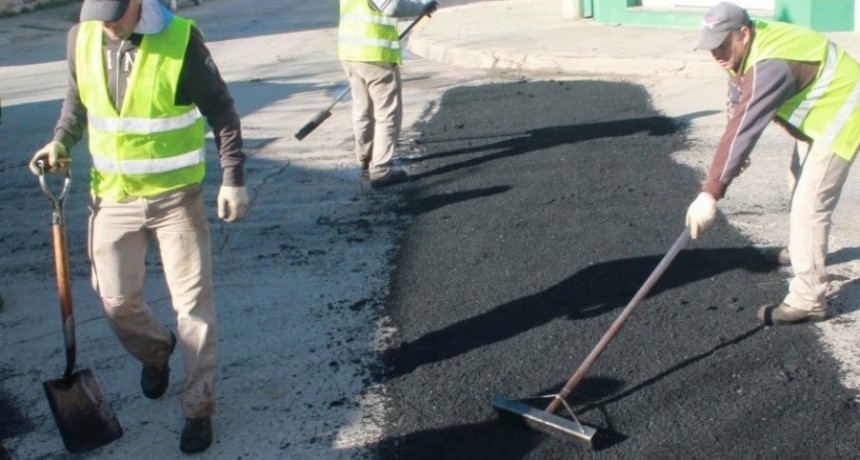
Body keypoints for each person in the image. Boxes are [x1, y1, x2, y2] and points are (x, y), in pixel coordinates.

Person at [28, 0, 249, 453]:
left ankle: (198, 408)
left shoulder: (181, 39)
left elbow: (222, 112)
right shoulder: (82, 37)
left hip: (176, 200)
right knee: (115, 302)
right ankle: (156, 350)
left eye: (114, 14)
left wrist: (233, 180)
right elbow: (77, 104)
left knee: (193, 311)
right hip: (112, 196)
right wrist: (60, 140)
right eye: (99, 14)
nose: (107, 25)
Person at [685, 2, 860, 326]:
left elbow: (745, 124)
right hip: (818, 114)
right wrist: (736, 156)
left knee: (810, 204)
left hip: (845, 113)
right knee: (798, 183)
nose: (717, 55)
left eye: (722, 45)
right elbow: (738, 103)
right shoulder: (741, 51)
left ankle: (808, 300)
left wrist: (710, 192)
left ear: (744, 33)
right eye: (711, 47)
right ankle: (801, 250)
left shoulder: (770, 65)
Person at [338, 0, 438, 188]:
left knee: (362, 108)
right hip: (374, 54)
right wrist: (421, 6)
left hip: (350, 51)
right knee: (387, 112)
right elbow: (390, 7)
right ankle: (381, 169)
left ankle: (364, 157)